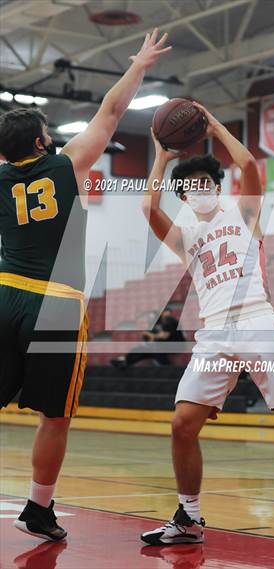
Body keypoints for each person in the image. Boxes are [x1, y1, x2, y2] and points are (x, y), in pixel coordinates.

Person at [140, 103, 274, 547]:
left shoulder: (243, 215)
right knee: (182, 425)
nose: (200, 189)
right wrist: (161, 155)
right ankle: (189, 519)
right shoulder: (184, 237)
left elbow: (250, 165)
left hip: (257, 323)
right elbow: (148, 205)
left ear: (218, 187)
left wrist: (214, 126)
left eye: (206, 182)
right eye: (191, 186)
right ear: (183, 197)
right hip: (214, 335)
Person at [0, 29, 171, 541]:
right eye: (46, 132)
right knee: (55, 416)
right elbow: (111, 111)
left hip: (5, 292)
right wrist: (138, 65)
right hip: (55, 304)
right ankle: (38, 509)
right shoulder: (67, 163)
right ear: (40, 142)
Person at [110, 307, 185, 368]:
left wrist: (151, 336)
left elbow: (164, 335)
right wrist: (149, 336)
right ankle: (125, 361)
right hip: (164, 346)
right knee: (142, 350)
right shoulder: (158, 324)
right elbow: (150, 338)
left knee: (156, 348)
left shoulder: (170, 320)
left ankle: (168, 368)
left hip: (176, 346)